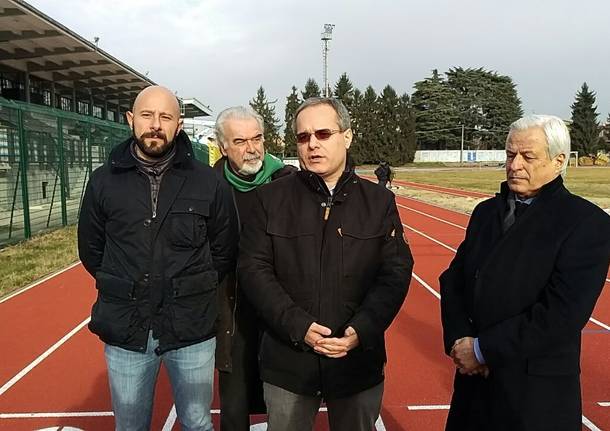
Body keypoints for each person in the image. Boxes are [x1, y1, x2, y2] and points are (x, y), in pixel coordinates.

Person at [237, 97, 413, 431]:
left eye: (323, 133)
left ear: (346, 136)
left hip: (356, 361)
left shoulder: (379, 202)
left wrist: (361, 330)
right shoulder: (269, 199)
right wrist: (297, 326)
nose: (312, 144)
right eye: (303, 137)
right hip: (289, 361)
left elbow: (395, 273)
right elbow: (253, 269)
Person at [78, 85, 237, 431]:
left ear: (178, 126)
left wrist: (190, 287)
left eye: (166, 116)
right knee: (130, 425)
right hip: (127, 326)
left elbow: (224, 249)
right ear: (130, 119)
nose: (155, 124)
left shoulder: (208, 183)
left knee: (197, 422)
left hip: (191, 326)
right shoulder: (103, 181)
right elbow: (91, 250)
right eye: (147, 115)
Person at [440, 114, 610, 431]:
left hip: (535, 397)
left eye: (527, 156)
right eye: (509, 154)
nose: (515, 165)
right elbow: (453, 282)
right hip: (474, 389)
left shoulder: (586, 223)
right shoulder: (485, 213)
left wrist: (482, 349)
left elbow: (561, 315)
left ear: (559, 160)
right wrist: (460, 341)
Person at [213, 106, 296, 431]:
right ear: (222, 147)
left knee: (286, 405)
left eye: (257, 138)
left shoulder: (288, 181)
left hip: (281, 311)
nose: (252, 148)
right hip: (232, 312)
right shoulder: (210, 186)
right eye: (241, 141)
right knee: (234, 406)